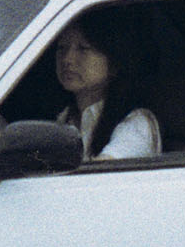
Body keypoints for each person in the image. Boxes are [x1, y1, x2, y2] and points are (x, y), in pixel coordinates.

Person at [48, 16, 161, 161]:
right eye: (62, 48)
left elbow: (103, 171)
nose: (67, 59)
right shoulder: (65, 118)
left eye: (83, 49)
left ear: (113, 62)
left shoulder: (137, 124)